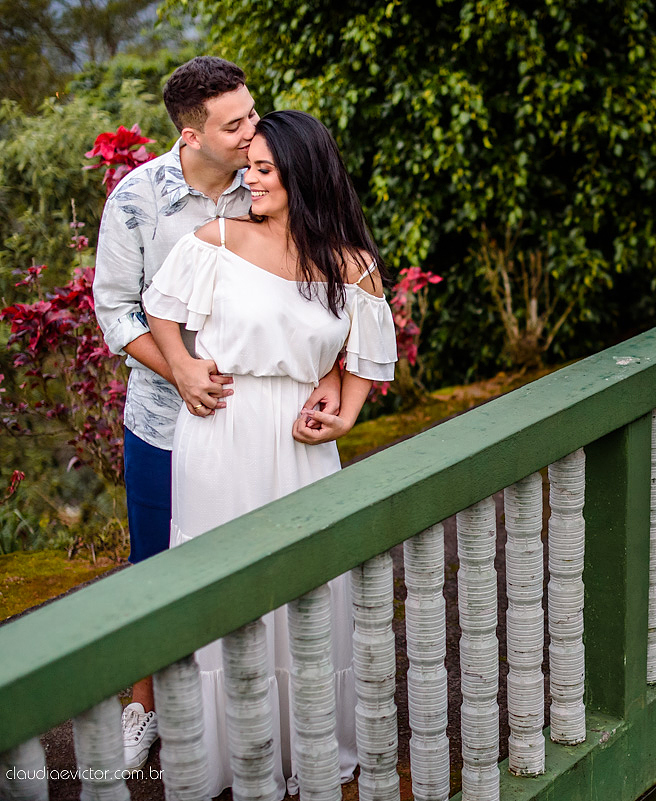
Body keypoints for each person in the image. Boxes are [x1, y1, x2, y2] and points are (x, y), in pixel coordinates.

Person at [94, 56, 342, 770]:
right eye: (234, 124)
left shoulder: (269, 178)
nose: (250, 132)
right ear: (191, 134)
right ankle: (145, 707)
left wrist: (329, 373)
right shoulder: (137, 199)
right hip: (165, 420)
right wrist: (178, 365)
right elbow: (115, 307)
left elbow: (325, 290)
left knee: (274, 568)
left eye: (252, 113)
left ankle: (265, 714)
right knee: (160, 567)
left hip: (265, 429)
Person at [143, 109, 397, 799]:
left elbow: (369, 357)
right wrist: (183, 369)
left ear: (303, 174)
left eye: (263, 169)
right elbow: (157, 309)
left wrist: (342, 410)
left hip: (301, 451)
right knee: (222, 590)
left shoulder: (351, 263)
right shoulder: (216, 239)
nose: (248, 180)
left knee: (310, 589)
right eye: (246, 167)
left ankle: (309, 744)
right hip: (220, 435)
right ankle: (224, 757)